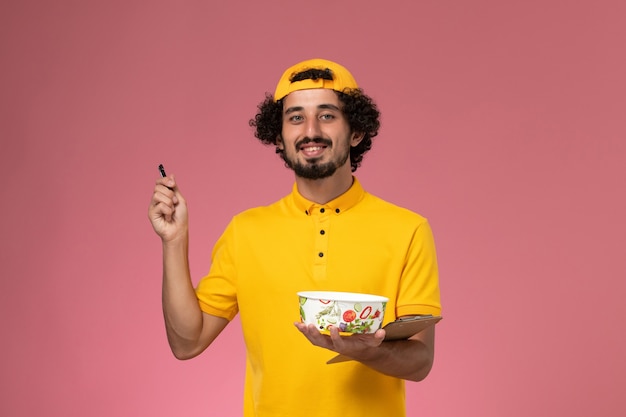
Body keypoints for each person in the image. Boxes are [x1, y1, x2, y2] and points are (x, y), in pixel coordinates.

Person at [148, 58, 442, 417]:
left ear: (356, 131)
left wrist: (366, 351)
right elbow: (187, 342)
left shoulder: (407, 229)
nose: (311, 130)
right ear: (279, 135)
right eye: (296, 117)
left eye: (328, 115)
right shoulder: (246, 231)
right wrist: (174, 241)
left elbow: (420, 361)